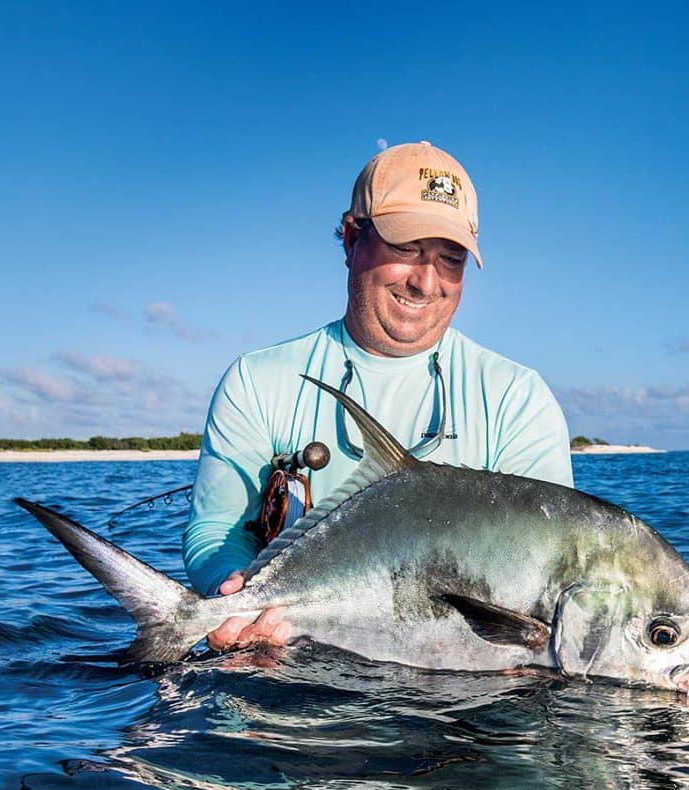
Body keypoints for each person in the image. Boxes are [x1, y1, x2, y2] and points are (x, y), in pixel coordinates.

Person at [184, 140, 573, 650]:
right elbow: (218, 528)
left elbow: (546, 575)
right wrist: (231, 589)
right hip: (285, 682)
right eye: (405, 247)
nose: (424, 280)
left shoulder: (517, 399)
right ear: (350, 239)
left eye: (450, 258)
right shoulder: (258, 381)